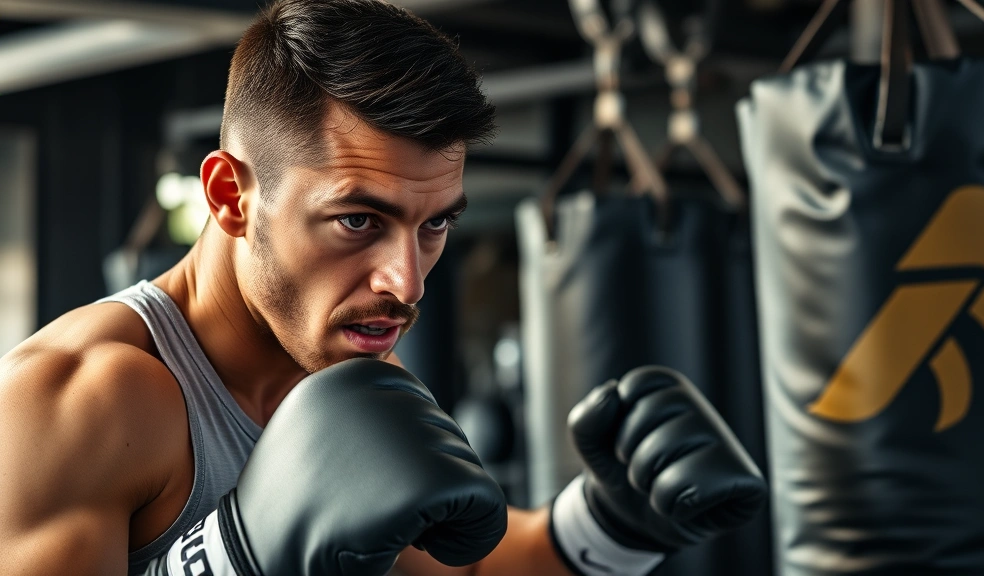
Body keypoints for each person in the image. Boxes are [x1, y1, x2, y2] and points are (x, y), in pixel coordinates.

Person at [0, 1, 767, 575]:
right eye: (359, 221)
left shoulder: (353, 366)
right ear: (232, 197)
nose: (404, 282)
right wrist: (234, 557)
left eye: (435, 225)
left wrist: (608, 522)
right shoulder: (82, 397)